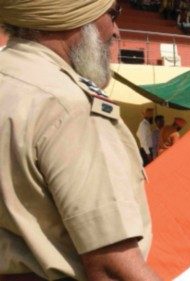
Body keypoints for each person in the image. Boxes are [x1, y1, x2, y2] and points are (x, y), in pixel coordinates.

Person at [0, 1, 161, 280]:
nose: (116, 31)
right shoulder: (69, 106)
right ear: (74, 17)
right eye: (112, 14)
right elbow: (112, 268)